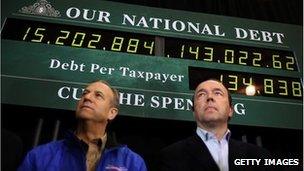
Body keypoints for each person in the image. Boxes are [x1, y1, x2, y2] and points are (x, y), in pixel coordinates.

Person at [18, 80, 147, 171]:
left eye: (98, 95)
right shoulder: (39, 156)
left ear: (111, 113)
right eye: (84, 93)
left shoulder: (133, 163)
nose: (87, 97)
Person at [159, 79, 272, 171]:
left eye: (218, 93)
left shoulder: (260, 156)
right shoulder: (171, 156)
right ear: (194, 111)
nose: (209, 98)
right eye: (201, 94)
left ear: (230, 110)